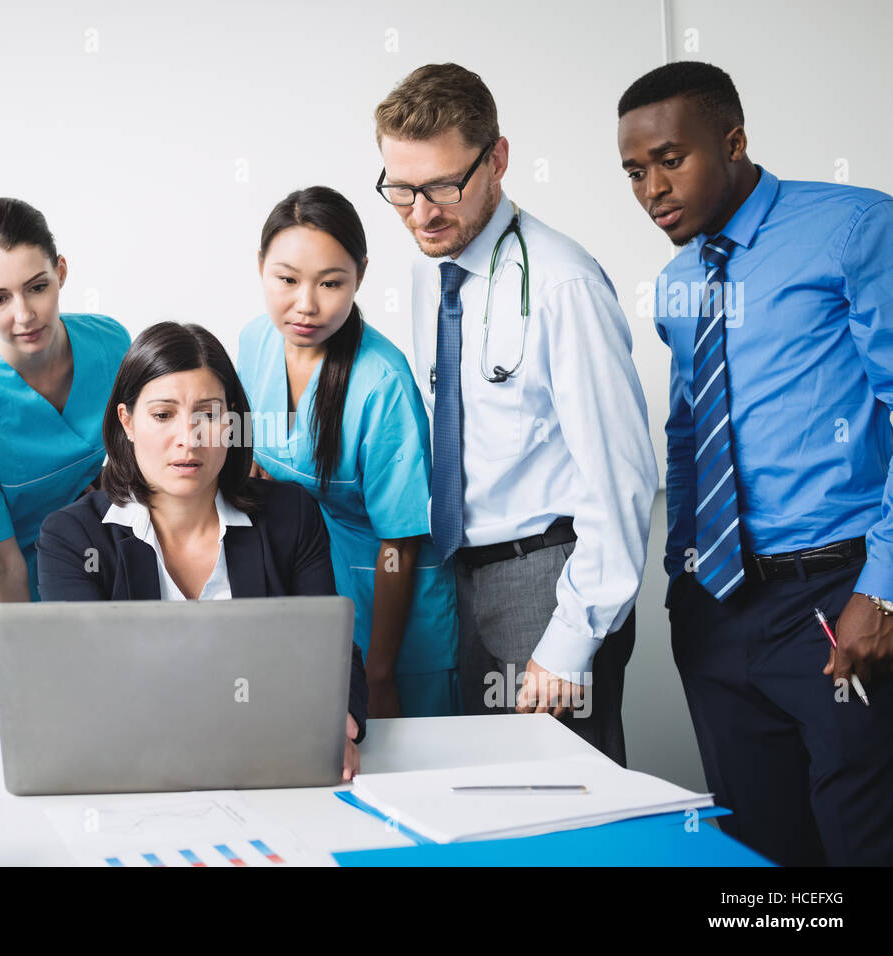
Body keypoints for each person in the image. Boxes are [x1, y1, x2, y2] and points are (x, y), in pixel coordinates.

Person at [618, 61, 893, 865]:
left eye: (672, 158)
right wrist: (681, 587)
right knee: (760, 859)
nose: (652, 188)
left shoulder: (854, 228)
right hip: (718, 609)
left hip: (837, 597)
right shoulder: (675, 283)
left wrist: (881, 587)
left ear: (733, 141)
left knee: (859, 842)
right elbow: (685, 437)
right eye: (635, 171)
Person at [374, 63, 658, 765]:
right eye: (401, 190)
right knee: (495, 803)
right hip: (465, 580)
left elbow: (621, 477)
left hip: (548, 580)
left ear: (497, 159)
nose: (421, 213)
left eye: (443, 185)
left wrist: (569, 641)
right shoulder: (429, 274)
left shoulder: (563, 284)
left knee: (563, 809)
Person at [36, 322, 368, 778]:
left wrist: (333, 724)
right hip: (132, 773)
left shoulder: (290, 515)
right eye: (163, 414)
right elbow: (86, 685)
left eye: (207, 415)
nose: (187, 439)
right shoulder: (73, 537)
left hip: (269, 765)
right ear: (127, 422)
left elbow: (332, 652)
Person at [237, 185, 459, 718]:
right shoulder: (253, 343)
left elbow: (398, 544)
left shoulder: (381, 380)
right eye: (286, 280)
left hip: (393, 624)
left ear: (360, 275)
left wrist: (379, 675)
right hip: (310, 607)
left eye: (331, 283)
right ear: (260, 266)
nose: (306, 305)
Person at [0, 198, 130, 726]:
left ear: (60, 272)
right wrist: (23, 674)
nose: (24, 314)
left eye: (37, 286)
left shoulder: (111, 345)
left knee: (78, 740)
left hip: (73, 574)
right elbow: (0, 563)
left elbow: (131, 467)